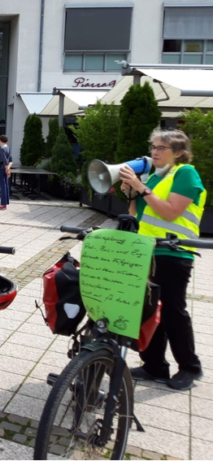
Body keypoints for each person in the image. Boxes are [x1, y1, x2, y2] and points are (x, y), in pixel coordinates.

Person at [120, 128, 206, 391]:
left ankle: (190, 367)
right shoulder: (156, 179)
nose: (154, 152)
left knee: (172, 311)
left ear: (179, 153)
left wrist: (141, 188)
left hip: (174, 252)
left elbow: (170, 212)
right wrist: (131, 194)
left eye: (161, 148)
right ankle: (154, 365)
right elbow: (137, 214)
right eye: (153, 147)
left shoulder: (185, 173)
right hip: (148, 251)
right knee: (147, 310)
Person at [0, 135, 12, 210]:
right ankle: (5, 203)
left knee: (3, 187)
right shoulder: (8, 148)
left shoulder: (2, 149)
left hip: (1, 169)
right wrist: (8, 169)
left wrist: (6, 169)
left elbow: (4, 160)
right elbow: (10, 160)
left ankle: (3, 204)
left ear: (0, 140)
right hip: (5, 169)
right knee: (6, 186)